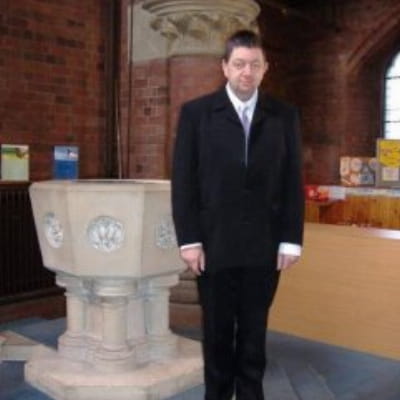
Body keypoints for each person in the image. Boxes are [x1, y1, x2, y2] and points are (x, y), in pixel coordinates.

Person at [171, 30, 304, 400]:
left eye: (254, 65)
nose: (247, 72)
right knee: (216, 333)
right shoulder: (197, 114)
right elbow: (184, 182)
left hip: (265, 244)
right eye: (240, 64)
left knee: (253, 334)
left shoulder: (284, 115)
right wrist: (189, 240)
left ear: (265, 68)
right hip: (213, 244)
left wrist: (291, 239)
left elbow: (293, 181)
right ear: (225, 67)